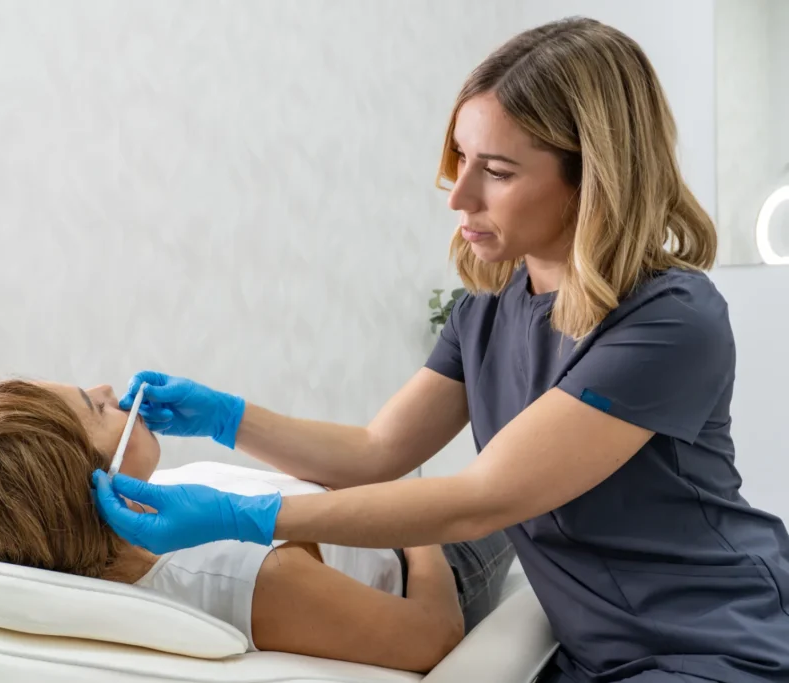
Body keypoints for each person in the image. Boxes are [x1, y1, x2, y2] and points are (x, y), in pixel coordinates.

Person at [92, 16, 789, 683]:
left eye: (499, 171)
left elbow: (481, 500)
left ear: (593, 178)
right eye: (461, 158)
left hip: (715, 644)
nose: (458, 196)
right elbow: (375, 451)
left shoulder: (668, 321)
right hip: (595, 652)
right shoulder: (486, 309)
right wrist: (227, 416)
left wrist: (240, 519)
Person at [0, 378, 515, 673]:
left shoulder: (157, 517)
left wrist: (229, 420)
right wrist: (417, 522)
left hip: (371, 509)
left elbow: (303, 490)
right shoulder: (252, 578)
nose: (106, 388)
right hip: (435, 562)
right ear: (93, 486)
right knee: (531, 476)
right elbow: (436, 635)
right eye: (93, 406)